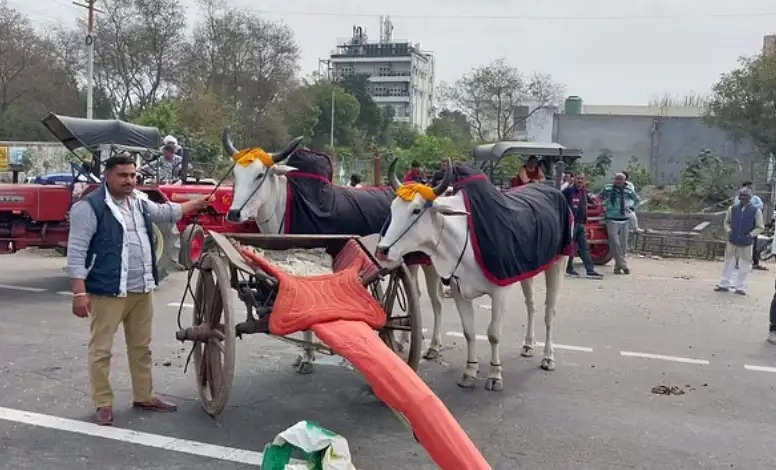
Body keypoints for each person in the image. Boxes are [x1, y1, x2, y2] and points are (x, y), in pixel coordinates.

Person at [67, 154, 211, 425]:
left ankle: (144, 396)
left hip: (141, 289)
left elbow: (167, 212)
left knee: (141, 347)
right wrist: (78, 293)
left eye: (133, 175)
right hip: (108, 292)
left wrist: (196, 203)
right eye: (123, 175)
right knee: (101, 350)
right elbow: (76, 254)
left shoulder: (140, 203)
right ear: (107, 176)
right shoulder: (89, 208)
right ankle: (103, 403)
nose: (130, 181)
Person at [715, 187, 764, 295]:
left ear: (750, 198)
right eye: (741, 196)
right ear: (739, 197)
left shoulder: (756, 211)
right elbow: (726, 222)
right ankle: (724, 284)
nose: (743, 198)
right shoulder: (732, 209)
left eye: (745, 196)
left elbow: (760, 227)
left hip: (746, 242)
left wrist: (751, 234)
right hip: (732, 240)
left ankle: (740, 287)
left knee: (744, 265)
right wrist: (729, 230)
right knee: (728, 263)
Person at [563, 174, 603, 279]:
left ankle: (590, 270)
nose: (580, 180)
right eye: (578, 178)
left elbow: (595, 202)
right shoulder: (568, 191)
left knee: (584, 248)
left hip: (581, 224)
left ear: (585, 181)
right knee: (571, 247)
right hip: (571, 223)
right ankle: (569, 268)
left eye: (582, 179)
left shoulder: (584, 192)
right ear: (574, 180)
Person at [601, 173, 640, 274]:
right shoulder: (607, 189)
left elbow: (637, 200)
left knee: (623, 245)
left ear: (624, 181)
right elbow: (599, 198)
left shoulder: (629, 190)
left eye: (620, 179)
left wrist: (630, 207)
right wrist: (604, 206)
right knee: (614, 242)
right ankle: (624, 265)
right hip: (611, 218)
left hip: (624, 219)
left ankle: (617, 267)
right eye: (616, 179)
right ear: (614, 179)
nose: (618, 181)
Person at [734, 182, 767, 271]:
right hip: (741, 223)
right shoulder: (737, 198)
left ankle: (755, 263)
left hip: (753, 223)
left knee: (754, 243)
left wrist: (750, 208)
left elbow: (760, 206)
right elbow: (737, 207)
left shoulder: (756, 198)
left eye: (750, 188)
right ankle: (737, 262)